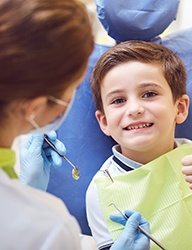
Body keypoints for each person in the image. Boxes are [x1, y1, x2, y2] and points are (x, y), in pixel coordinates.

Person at [0, 0, 150, 249]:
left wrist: (24, 189)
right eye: (74, 88)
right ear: (33, 108)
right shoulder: (49, 227)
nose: (135, 109)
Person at [86, 40, 192, 250]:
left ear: (179, 108)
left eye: (149, 94)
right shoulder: (102, 191)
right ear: (105, 122)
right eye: (118, 100)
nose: (134, 109)